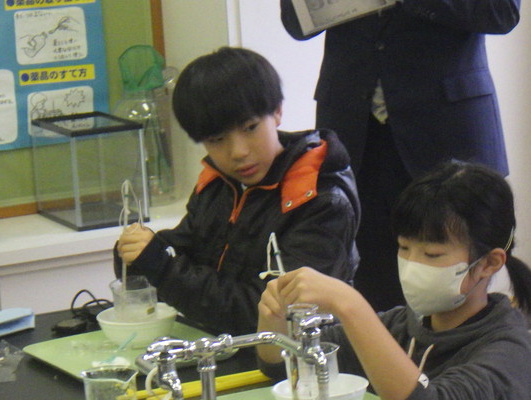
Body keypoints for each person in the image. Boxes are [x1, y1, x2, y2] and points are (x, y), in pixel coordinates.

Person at [257, 161, 531, 400]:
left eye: (432, 254)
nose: (412, 265)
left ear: (489, 263)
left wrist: (350, 305)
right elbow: (286, 367)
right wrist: (274, 318)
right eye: (404, 248)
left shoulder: (511, 352)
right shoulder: (400, 326)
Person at [280, 0, 520, 311]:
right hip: (355, 129)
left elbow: (501, 12)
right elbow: (296, 22)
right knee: (369, 284)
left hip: (447, 129)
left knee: (455, 285)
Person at [113, 47, 360, 336]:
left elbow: (264, 314)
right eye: (217, 139)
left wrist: (162, 267)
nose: (238, 152)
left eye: (250, 128)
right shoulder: (219, 184)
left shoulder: (320, 199)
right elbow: (188, 248)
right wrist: (138, 254)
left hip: (297, 355)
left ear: (277, 111)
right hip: (224, 345)